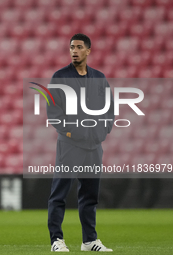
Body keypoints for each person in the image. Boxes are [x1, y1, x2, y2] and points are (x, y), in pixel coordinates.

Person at [46, 34, 114, 252]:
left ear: (88, 51)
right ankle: (56, 240)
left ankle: (89, 241)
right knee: (60, 194)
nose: (74, 51)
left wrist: (102, 132)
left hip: (94, 146)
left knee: (90, 195)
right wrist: (71, 133)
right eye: (71, 47)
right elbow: (53, 112)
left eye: (78, 47)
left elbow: (109, 109)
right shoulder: (59, 77)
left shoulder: (99, 78)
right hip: (70, 145)